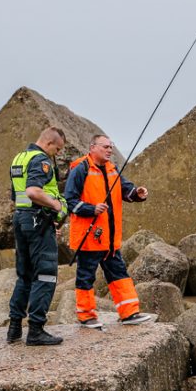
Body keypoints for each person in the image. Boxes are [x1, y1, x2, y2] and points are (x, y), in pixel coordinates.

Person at [64, 135, 153, 328]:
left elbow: (126, 190)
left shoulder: (113, 170)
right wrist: (91, 209)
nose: (109, 150)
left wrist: (137, 194)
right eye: (105, 147)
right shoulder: (80, 169)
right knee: (86, 276)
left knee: (119, 273)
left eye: (111, 147)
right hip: (89, 238)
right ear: (92, 147)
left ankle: (129, 313)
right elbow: (69, 201)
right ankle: (86, 317)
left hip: (110, 239)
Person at [7, 127, 69, 346]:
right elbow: (34, 191)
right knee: (45, 274)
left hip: (22, 219)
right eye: (58, 149)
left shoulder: (19, 158)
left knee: (24, 274)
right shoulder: (41, 160)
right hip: (37, 221)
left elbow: (18, 195)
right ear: (49, 143)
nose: (57, 154)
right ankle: (36, 330)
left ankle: (14, 328)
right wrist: (56, 206)